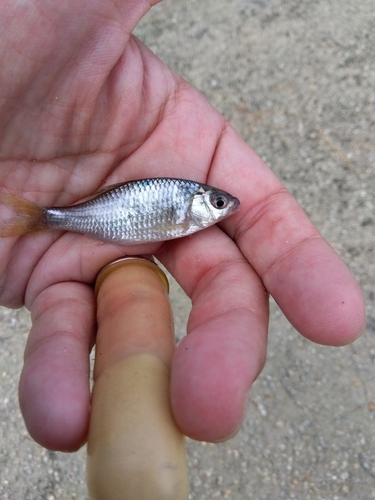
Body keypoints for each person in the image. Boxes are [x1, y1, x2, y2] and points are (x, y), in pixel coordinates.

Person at [0, 0, 365, 452]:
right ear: (194, 204)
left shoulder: (182, 210)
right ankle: (40, 218)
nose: (222, 208)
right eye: (215, 203)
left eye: (219, 204)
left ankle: (40, 219)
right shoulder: (179, 209)